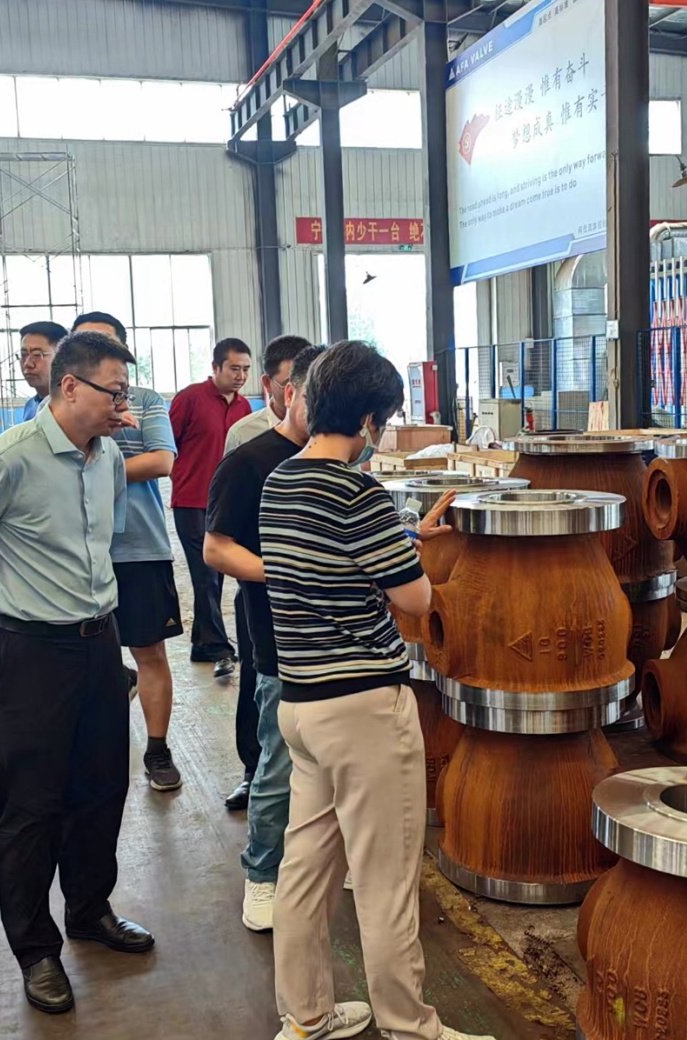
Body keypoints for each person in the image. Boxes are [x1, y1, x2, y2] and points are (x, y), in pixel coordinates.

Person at [260, 341, 492, 1040]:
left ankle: (305, 1017)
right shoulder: (357, 493)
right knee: (386, 880)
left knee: (304, 871)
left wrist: (401, 534)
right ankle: (408, 1025)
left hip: (302, 705)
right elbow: (415, 600)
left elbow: (327, 561)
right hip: (364, 708)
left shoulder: (280, 481)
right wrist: (409, 549)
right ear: (368, 420)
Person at [0, 331, 154, 1015]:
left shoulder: (108, 456)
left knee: (102, 787)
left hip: (98, 643)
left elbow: (101, 541)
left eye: (124, 392)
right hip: (29, 650)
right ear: (69, 387)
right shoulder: (8, 459)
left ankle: (89, 909)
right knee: (32, 804)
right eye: (113, 392)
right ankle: (35, 950)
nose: (123, 405)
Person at [205, 344, 323, 931]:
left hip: (335, 641)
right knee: (277, 763)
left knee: (333, 762)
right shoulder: (248, 461)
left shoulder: (340, 459)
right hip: (277, 638)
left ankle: (326, 856)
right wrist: (286, 570)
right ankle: (262, 874)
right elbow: (216, 549)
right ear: (289, 391)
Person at [72, 311, 184, 792]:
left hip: (139, 548)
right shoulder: (57, 406)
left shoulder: (147, 401)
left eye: (106, 345)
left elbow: (161, 460)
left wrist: (97, 467)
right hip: (78, 551)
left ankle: (157, 749)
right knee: (80, 657)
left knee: (149, 651)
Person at [220, 334, 312, 813]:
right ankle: (251, 770)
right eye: (292, 384)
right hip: (261, 591)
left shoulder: (337, 444)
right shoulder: (247, 441)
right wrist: (280, 572)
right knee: (258, 680)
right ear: (276, 386)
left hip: (312, 610)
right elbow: (224, 537)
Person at [168, 338, 252, 679]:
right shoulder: (189, 399)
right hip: (191, 501)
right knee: (205, 575)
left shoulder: (244, 407)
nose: (240, 376)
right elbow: (167, 446)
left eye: (246, 369)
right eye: (234, 368)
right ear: (216, 367)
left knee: (217, 575)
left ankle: (202, 644)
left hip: (227, 502)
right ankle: (219, 648)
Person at [225, 334, 312, 454]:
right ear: (267, 383)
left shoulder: (328, 430)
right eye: (290, 385)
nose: (302, 394)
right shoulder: (242, 435)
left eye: (308, 384)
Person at [18, 321, 67, 421]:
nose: (27, 364)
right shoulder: (30, 407)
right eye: (23, 355)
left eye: (37, 355)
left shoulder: (75, 407)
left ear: (62, 358)